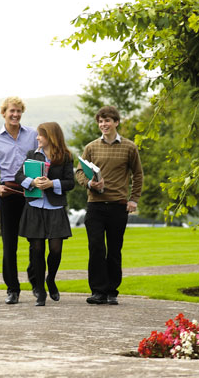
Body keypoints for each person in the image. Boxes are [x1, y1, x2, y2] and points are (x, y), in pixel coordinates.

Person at [75, 106, 143, 306]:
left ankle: (112, 291)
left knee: (114, 249)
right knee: (96, 248)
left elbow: (138, 174)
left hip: (118, 206)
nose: (103, 124)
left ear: (116, 122)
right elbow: (79, 172)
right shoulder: (91, 147)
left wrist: (134, 199)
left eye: (107, 121)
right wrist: (89, 184)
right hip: (95, 206)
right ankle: (98, 291)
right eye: (100, 121)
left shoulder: (129, 147)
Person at [15, 122, 75, 306]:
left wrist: (52, 184)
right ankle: (40, 290)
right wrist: (33, 182)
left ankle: (51, 279)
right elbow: (19, 176)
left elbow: (70, 183)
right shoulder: (32, 155)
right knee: (37, 249)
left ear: (50, 136)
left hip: (55, 208)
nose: (37, 138)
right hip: (34, 207)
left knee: (56, 249)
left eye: (40, 135)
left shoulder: (65, 156)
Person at [0, 96, 38, 305]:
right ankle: (12, 289)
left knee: (36, 241)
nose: (15, 115)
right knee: (10, 244)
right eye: (12, 111)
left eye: (18, 111)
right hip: (8, 193)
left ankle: (36, 284)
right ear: (4, 113)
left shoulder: (33, 135)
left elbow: (41, 160)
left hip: (31, 192)